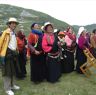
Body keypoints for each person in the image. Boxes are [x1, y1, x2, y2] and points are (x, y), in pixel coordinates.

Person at [0, 17, 20, 95]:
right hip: (7, 54)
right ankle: (7, 89)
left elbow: (14, 44)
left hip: (13, 54)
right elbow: (1, 43)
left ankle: (12, 85)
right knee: (7, 72)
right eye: (12, 23)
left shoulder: (14, 33)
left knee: (13, 71)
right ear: (9, 24)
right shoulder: (5, 32)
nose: (14, 24)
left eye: (15, 23)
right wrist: (2, 56)